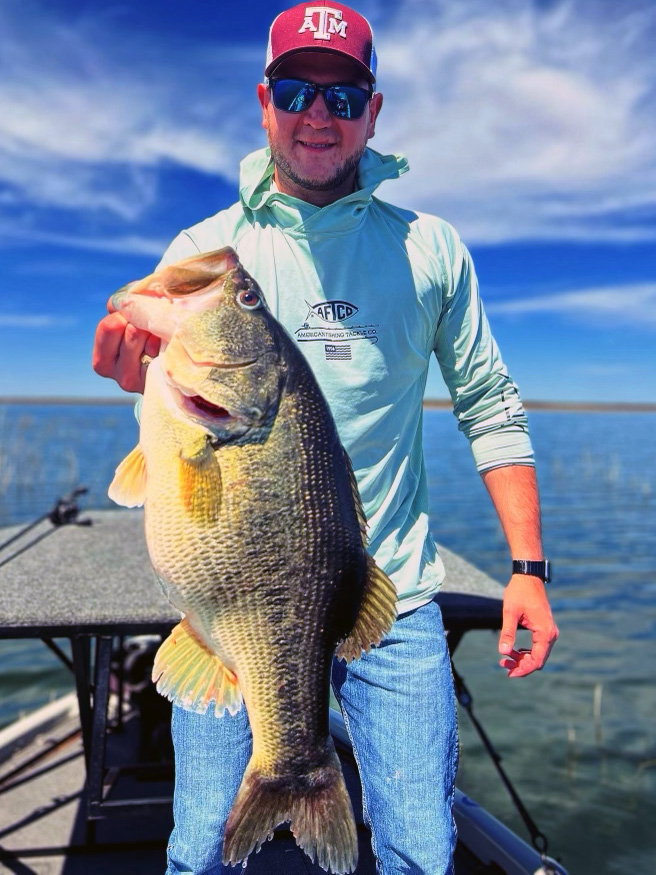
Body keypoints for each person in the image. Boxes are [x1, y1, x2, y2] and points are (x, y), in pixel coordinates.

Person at [93, 3, 559, 873]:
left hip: (397, 597)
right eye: (298, 91)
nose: (318, 115)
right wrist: (133, 365)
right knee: (197, 848)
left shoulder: (430, 248)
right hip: (232, 604)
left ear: (373, 113)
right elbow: (152, 416)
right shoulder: (204, 248)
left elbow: (491, 403)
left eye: (343, 98)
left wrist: (527, 571)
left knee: (422, 848)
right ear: (264, 101)